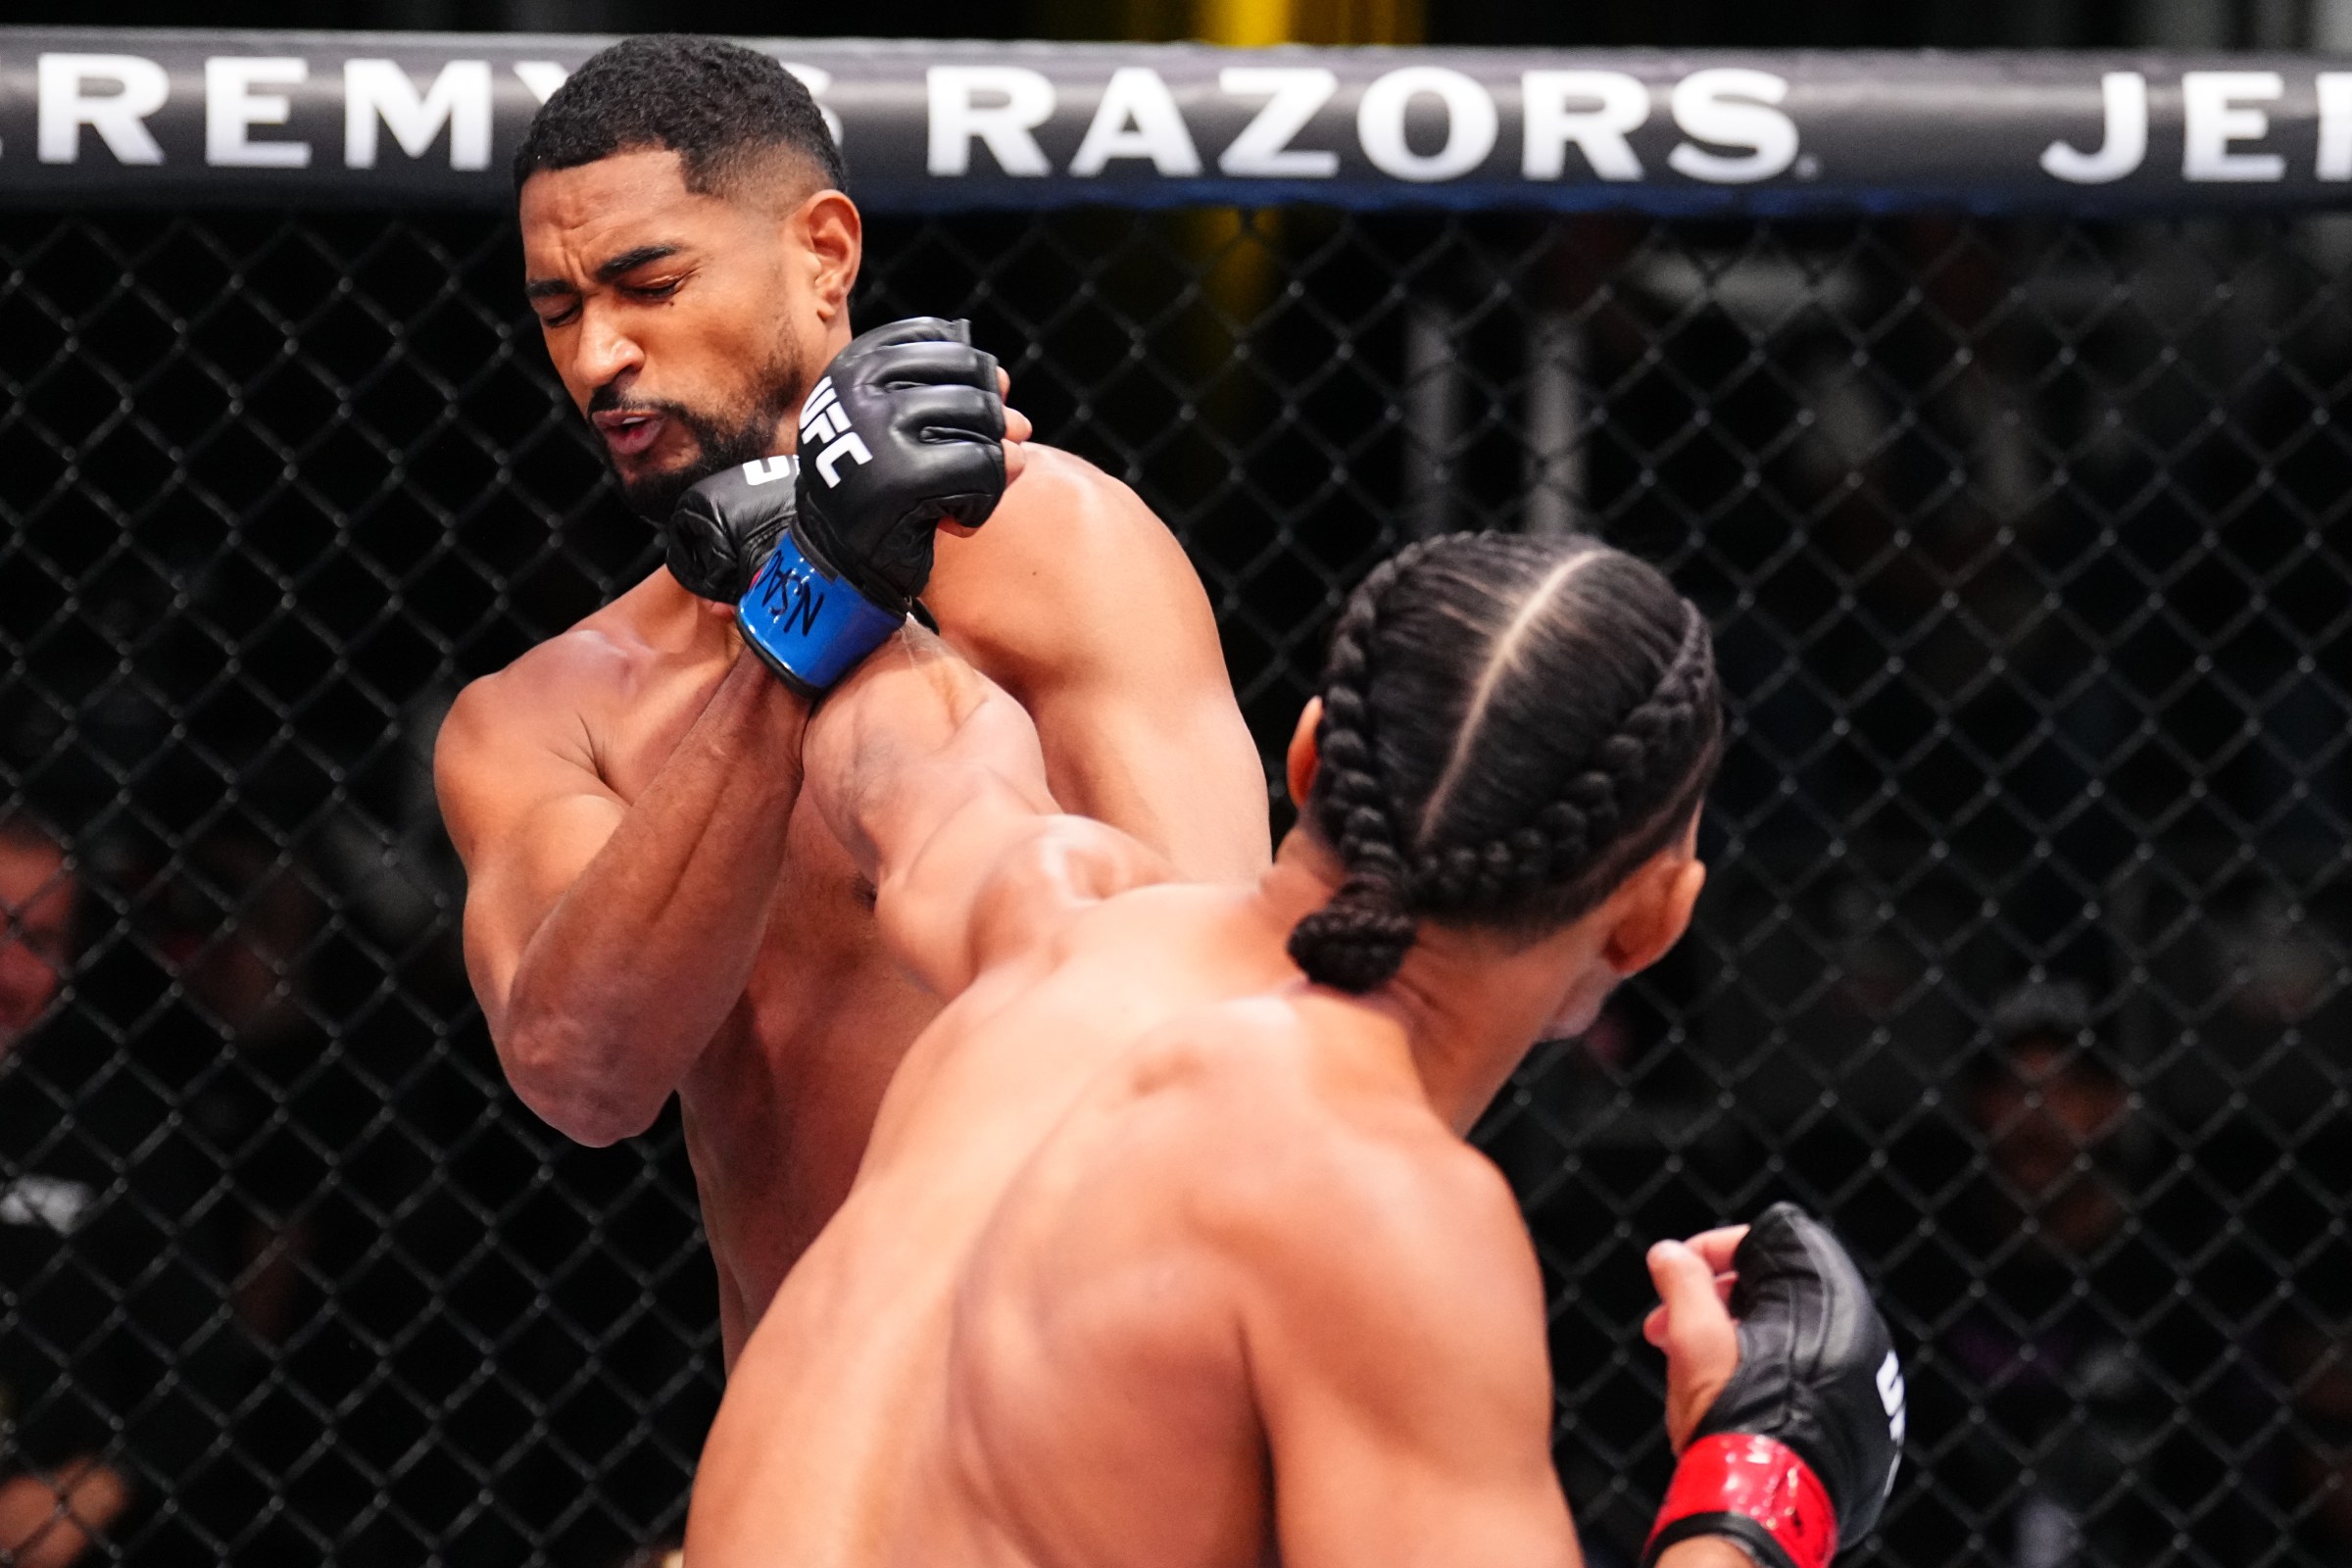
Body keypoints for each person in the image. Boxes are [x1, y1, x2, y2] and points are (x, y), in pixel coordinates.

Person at [675, 494, 1903, 1565]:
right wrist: (1758, 1489)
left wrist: (820, 547)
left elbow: (909, 761)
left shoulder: (1061, 925)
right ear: (1649, 923)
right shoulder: (1378, 1206)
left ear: (1307, 759)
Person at [434, 35, 1267, 1360]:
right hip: (804, 1455)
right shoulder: (544, 715)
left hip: (1088, 1410)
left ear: (824, 254)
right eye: (555, 308)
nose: (596, 357)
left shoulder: (1050, 547)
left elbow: (1228, 1029)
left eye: (649, 283)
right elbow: (585, 1075)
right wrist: (805, 615)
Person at [0, 817, 223, 1566]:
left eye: (40, 941)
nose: (10, 973)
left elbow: (203, 1363)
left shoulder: (117, 1125)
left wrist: (99, 1485)